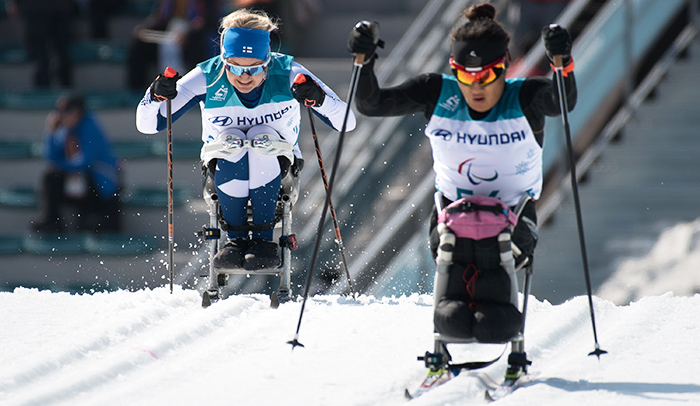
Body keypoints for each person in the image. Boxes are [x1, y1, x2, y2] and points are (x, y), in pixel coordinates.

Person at [348, 3, 576, 344]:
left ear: (504, 66)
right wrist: (363, 61)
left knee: (494, 325)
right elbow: (372, 104)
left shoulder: (524, 96)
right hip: (451, 221)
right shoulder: (438, 91)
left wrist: (562, 63)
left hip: (512, 223)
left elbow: (562, 102)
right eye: (465, 75)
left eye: (486, 75)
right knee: (453, 320)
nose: (476, 87)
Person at [136, 8, 356, 270]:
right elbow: (147, 125)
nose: (244, 77)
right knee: (234, 142)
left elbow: (347, 121)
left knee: (260, 139)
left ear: (267, 61)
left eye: (255, 69)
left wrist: (318, 97)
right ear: (223, 59)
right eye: (235, 68)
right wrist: (155, 94)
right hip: (223, 163)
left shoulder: (288, 72)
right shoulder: (207, 76)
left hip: (280, 166)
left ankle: (263, 241)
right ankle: (236, 241)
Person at [32, 94, 122, 233]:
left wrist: (61, 166)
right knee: (51, 177)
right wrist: (50, 132)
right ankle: (52, 221)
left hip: (100, 187)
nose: (61, 116)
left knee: (76, 176)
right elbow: (51, 159)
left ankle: (91, 221)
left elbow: (84, 162)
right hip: (79, 184)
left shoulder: (91, 127)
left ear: (77, 113)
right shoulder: (66, 130)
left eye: (65, 113)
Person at [126, 0, 221, 91]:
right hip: (170, 29)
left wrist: (188, 33)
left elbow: (208, 20)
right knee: (139, 41)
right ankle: (137, 88)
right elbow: (159, 17)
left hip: (194, 34)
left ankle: (188, 88)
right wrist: (144, 29)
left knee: (193, 43)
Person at [7, 0, 75, 88]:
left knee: (54, 53)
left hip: (50, 9)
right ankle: (54, 88)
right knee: (46, 54)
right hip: (48, 8)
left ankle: (59, 88)